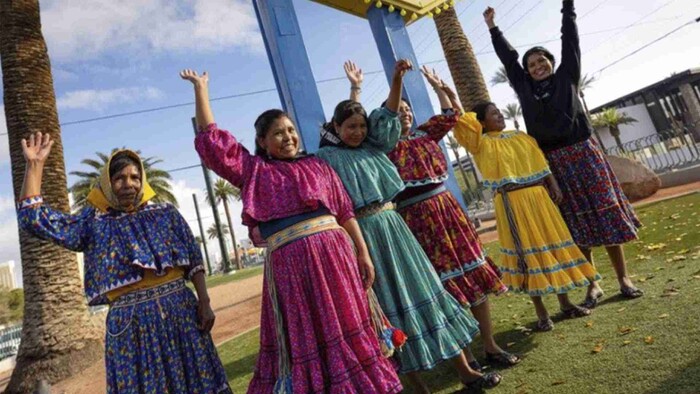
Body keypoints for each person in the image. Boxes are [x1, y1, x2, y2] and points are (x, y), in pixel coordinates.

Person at [181, 69, 402, 394]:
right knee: (308, 334)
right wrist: (201, 89)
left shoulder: (318, 165)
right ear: (262, 142)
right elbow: (213, 144)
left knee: (347, 326)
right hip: (291, 269)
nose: (288, 138)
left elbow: (344, 212)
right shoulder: (253, 171)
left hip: (335, 260)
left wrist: (363, 253)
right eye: (278, 133)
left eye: (291, 131)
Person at [317, 60, 501, 393]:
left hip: (395, 227)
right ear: (337, 128)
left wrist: (396, 79)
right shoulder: (328, 158)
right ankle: (417, 389)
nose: (357, 131)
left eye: (361, 125)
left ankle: (466, 372)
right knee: (387, 309)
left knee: (427, 289)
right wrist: (355, 90)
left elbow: (387, 115)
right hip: (364, 237)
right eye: (350, 127)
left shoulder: (378, 146)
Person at [16, 134, 231, 393]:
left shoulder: (166, 215)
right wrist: (34, 166)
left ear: (143, 180)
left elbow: (194, 260)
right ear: (107, 182)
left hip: (181, 316)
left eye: (134, 177)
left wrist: (205, 302)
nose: (128, 184)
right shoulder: (92, 223)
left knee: (198, 382)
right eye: (119, 178)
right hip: (131, 329)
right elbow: (33, 218)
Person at [484, 1, 642, 308]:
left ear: (552, 62)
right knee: (574, 223)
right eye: (531, 64)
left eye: (542, 61)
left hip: (584, 155)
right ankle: (592, 284)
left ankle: (624, 278)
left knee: (604, 212)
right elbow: (508, 59)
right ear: (526, 71)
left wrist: (567, 7)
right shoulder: (524, 88)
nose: (537, 66)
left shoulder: (567, 76)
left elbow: (570, 38)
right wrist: (493, 28)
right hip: (553, 163)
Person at [454, 102, 602, 331]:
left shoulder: (521, 137)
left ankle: (565, 303)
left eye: (499, 111)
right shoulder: (480, 144)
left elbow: (540, 162)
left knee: (552, 248)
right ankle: (542, 313)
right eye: (494, 113)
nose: (500, 115)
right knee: (528, 254)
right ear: (481, 122)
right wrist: (448, 95)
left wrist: (553, 184)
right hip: (511, 202)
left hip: (540, 199)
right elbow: (465, 122)